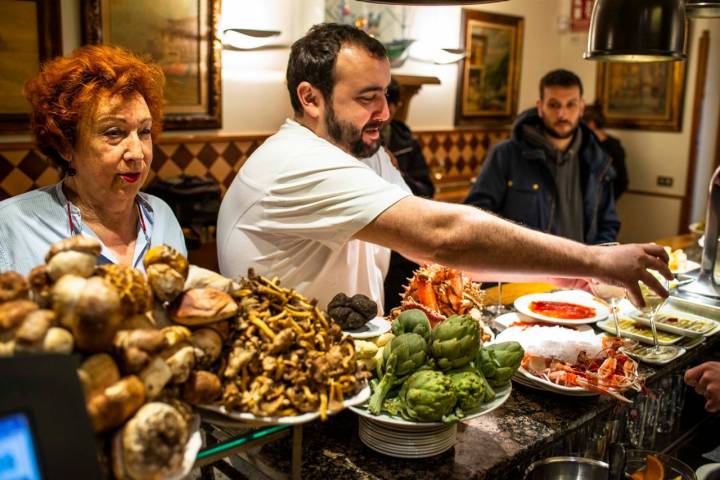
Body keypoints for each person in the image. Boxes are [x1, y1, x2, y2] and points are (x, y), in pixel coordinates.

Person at [217, 23, 670, 315]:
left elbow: (428, 250)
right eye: (365, 97)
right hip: (283, 398)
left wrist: (552, 272)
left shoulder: (361, 153)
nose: (385, 112)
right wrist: (595, 258)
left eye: (386, 94)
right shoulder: (297, 163)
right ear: (310, 98)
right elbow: (441, 234)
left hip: (345, 374)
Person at [0, 45, 186, 275]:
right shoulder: (10, 226)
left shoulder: (161, 217)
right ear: (65, 145)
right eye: (113, 133)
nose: (137, 153)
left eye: (144, 131)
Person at [464, 69, 619, 245]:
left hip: (580, 269)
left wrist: (597, 263)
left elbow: (608, 224)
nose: (562, 114)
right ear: (540, 107)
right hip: (520, 268)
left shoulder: (597, 160)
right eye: (553, 105)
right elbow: (475, 215)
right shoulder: (505, 154)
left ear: (582, 107)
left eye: (571, 105)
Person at [382, 78, 435, 311]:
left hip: (400, 244)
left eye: (388, 103)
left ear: (396, 106)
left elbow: (427, 190)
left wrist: (397, 173)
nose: (382, 110)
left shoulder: (407, 142)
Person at [583, 103, 629, 200]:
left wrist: (605, 203)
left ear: (591, 124)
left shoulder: (614, 147)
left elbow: (622, 182)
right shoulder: (583, 142)